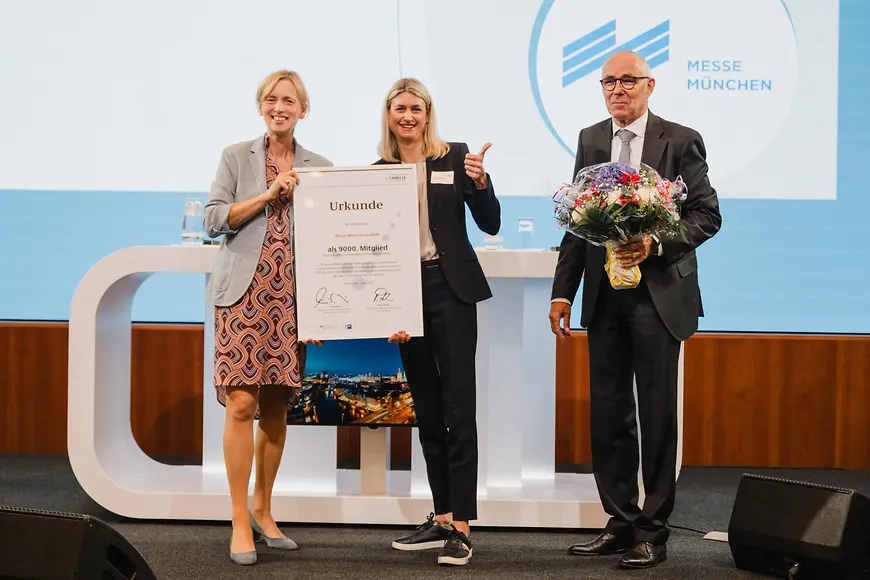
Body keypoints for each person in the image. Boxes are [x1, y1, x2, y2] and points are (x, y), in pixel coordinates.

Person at [549, 50, 722, 569]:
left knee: (656, 414)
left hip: (658, 295)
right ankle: (621, 521)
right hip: (605, 298)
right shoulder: (590, 139)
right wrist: (563, 292)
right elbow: (580, 220)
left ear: (650, 86)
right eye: (609, 82)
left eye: (628, 81)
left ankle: (654, 529)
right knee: (608, 413)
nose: (618, 90)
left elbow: (706, 215)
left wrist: (654, 242)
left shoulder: (680, 138)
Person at [203, 70, 331, 566]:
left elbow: (330, 245)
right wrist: (268, 194)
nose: (280, 107)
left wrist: (324, 308)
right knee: (240, 403)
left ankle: (263, 506)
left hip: (292, 299)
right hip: (243, 295)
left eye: (290, 101)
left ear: (303, 110)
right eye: (272, 99)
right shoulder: (237, 157)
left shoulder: (320, 167)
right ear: (261, 106)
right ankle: (238, 517)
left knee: (277, 406)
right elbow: (215, 219)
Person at [374, 78, 500, 567]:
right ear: (388, 115)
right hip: (404, 296)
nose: (408, 116)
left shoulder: (457, 157)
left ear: (428, 114)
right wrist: (384, 307)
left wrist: (483, 182)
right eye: (399, 108)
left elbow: (490, 223)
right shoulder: (378, 172)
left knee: (457, 405)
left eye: (416, 108)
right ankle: (443, 515)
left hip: (452, 291)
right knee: (426, 407)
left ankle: (463, 527)